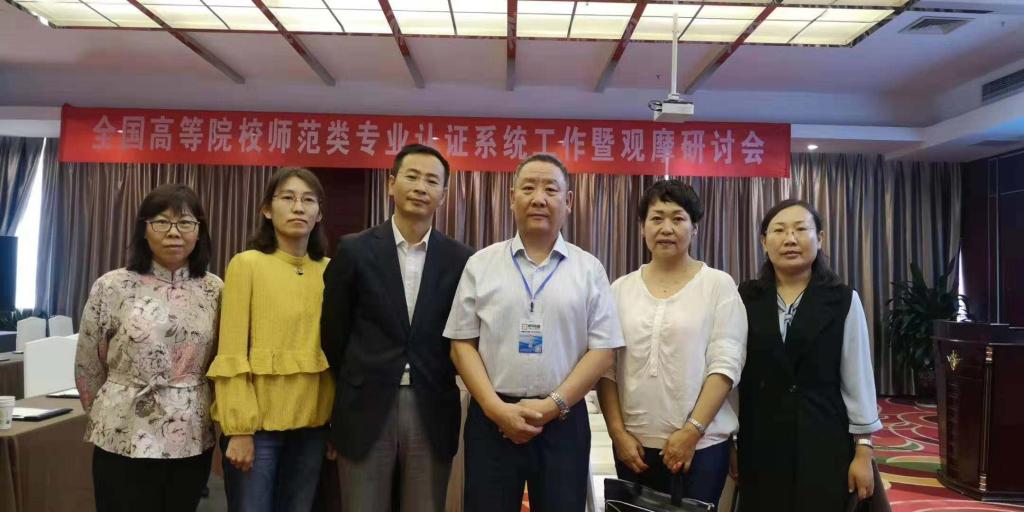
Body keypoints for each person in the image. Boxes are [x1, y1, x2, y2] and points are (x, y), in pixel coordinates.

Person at [444, 153, 624, 512]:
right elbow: (461, 345)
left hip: (564, 421)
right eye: (528, 188)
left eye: (550, 189)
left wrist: (551, 406)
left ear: (568, 201)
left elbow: (603, 351)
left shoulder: (589, 269)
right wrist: (496, 409)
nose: (539, 198)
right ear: (512, 198)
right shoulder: (481, 264)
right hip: (492, 420)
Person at [321, 144, 473, 512]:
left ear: (443, 194)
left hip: (431, 404)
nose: (421, 187)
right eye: (412, 176)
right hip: (365, 404)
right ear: (391, 184)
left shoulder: (462, 259)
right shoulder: (354, 250)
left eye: (432, 181)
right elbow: (333, 333)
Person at [597, 179, 746, 505]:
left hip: (702, 445)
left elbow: (726, 365)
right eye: (656, 218)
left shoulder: (718, 285)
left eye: (678, 219)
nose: (667, 228)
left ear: (695, 228)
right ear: (643, 228)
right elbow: (606, 369)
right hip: (634, 448)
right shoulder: (620, 289)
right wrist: (617, 433)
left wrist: (692, 431)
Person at [75, 184, 222, 512]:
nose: (174, 232)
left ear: (199, 231)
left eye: (185, 223)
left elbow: (220, 363)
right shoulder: (112, 286)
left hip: (189, 431)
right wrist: (105, 410)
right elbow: (88, 363)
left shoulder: (215, 290)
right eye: (161, 222)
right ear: (144, 229)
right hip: (121, 427)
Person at [735, 199, 882, 512]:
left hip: (823, 436)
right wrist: (731, 441)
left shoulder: (842, 299)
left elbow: (858, 378)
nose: (790, 239)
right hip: (761, 437)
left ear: (820, 238)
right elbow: (733, 374)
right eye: (779, 230)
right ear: (764, 242)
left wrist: (864, 450)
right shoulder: (744, 297)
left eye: (801, 229)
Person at [207, 167, 334, 512]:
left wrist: (336, 426)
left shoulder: (330, 270)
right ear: (267, 209)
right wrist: (239, 429)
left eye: (308, 200)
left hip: (313, 427)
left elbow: (338, 354)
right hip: (257, 429)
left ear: (319, 213)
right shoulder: (246, 264)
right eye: (288, 198)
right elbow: (231, 351)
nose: (298, 207)